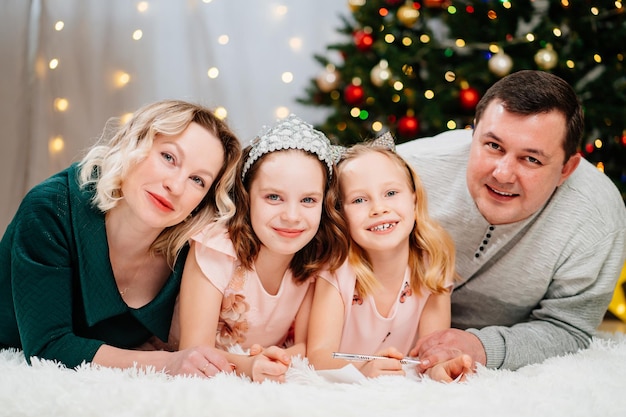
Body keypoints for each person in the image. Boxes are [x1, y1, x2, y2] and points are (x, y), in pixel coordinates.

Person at [395, 70, 626, 376]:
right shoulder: (407, 169)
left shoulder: (597, 218)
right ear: (473, 133)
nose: (503, 174)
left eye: (531, 159)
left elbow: (568, 328)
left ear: (566, 168)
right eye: (493, 146)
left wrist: (482, 347)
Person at [0, 99, 242, 378]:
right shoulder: (51, 209)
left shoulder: (193, 247)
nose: (175, 186)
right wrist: (167, 364)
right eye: (168, 157)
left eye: (198, 180)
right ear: (134, 144)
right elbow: (47, 346)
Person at [173, 114, 349, 382]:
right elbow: (194, 349)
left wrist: (274, 358)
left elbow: (304, 346)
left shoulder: (316, 256)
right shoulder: (215, 247)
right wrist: (248, 364)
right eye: (274, 197)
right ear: (247, 197)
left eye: (308, 200)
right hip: (189, 368)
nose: (291, 215)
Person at [306, 135, 472, 381]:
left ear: (414, 200)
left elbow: (430, 351)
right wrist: (362, 371)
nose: (378, 208)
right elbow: (318, 356)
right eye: (359, 200)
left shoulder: (432, 265)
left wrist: (439, 369)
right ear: (340, 214)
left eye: (391, 193)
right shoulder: (336, 269)